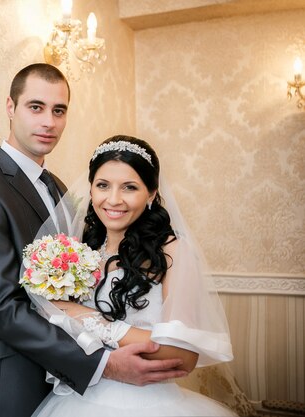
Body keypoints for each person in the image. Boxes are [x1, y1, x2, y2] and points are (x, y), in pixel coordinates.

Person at [0, 64, 187, 417]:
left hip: (66, 381)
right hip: (11, 374)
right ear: (10, 107)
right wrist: (102, 364)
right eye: (36, 107)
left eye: (58, 110)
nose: (49, 121)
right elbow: (2, 308)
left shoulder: (59, 187)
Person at [31, 135, 235, 416]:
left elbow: (182, 357)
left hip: (150, 403)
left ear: (151, 193)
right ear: (91, 189)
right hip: (80, 398)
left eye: (129, 187)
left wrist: (93, 320)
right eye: (103, 185)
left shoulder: (173, 251)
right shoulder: (79, 250)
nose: (113, 200)